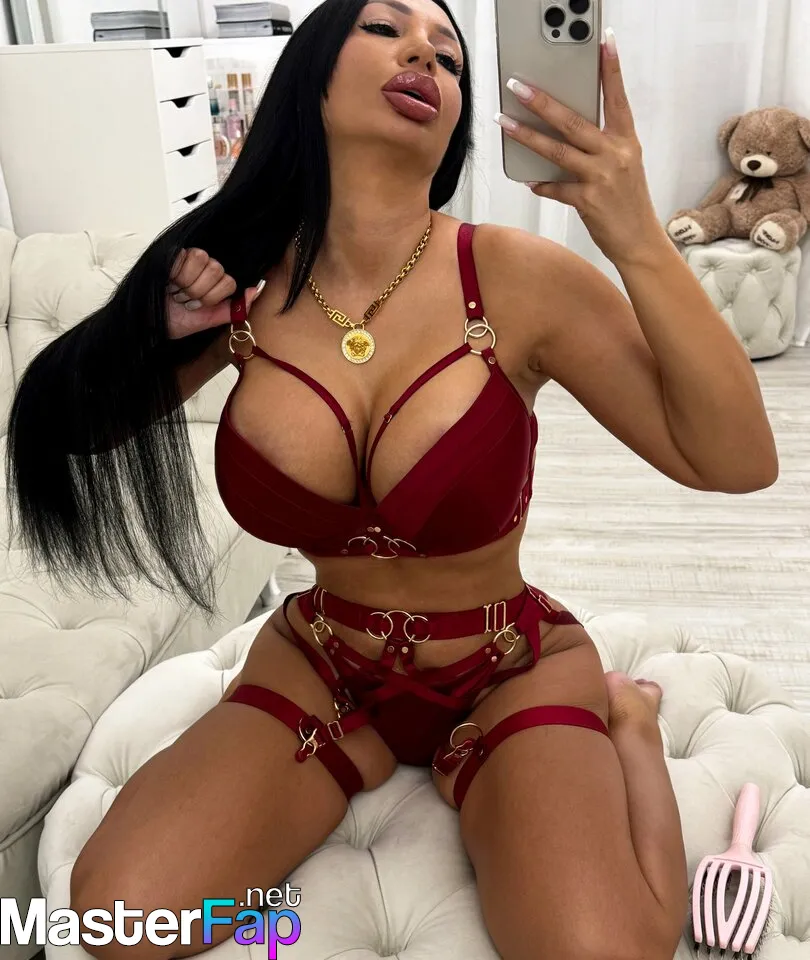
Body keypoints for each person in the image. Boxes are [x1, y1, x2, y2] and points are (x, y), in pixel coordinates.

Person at [5, 1, 778, 958]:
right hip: (322, 660)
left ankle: (630, 719)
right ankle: (353, 751)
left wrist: (635, 237)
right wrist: (148, 338)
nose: (424, 52)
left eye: (450, 57)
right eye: (384, 29)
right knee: (118, 923)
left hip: (507, 665)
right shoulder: (241, 285)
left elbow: (737, 462)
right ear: (311, 78)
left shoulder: (516, 276)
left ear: (455, 124)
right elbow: (71, 434)